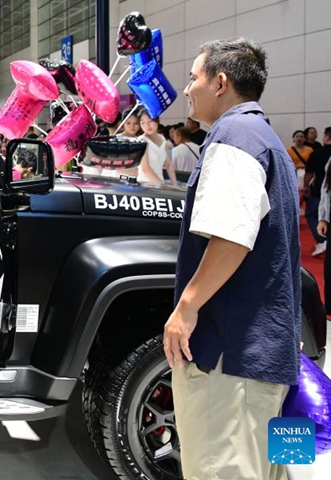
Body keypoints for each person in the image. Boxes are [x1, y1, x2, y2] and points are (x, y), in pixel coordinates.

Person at [164, 39, 299, 480]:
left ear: (220, 83)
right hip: (260, 358)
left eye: (194, 78)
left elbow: (231, 238)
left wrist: (186, 308)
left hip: (231, 362)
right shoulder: (265, 137)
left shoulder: (234, 136)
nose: (187, 90)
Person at [306, 127, 331, 256]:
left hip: (319, 190)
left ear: (326, 137)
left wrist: (305, 185)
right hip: (322, 190)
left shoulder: (317, 151)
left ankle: (321, 240)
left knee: (311, 214)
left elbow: (309, 172)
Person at [136, 110, 178, 185]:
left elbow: (168, 164)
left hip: (160, 184)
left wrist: (175, 184)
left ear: (157, 120)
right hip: (145, 184)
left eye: (150, 121)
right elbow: (145, 169)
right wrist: (163, 186)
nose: (147, 125)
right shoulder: (141, 140)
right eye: (143, 123)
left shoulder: (162, 138)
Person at [287, 129, 313, 201]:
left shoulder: (309, 150)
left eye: (302, 137)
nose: (299, 138)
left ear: (305, 139)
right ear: (293, 139)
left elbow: (312, 162)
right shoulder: (288, 150)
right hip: (294, 173)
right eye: (297, 136)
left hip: (306, 173)